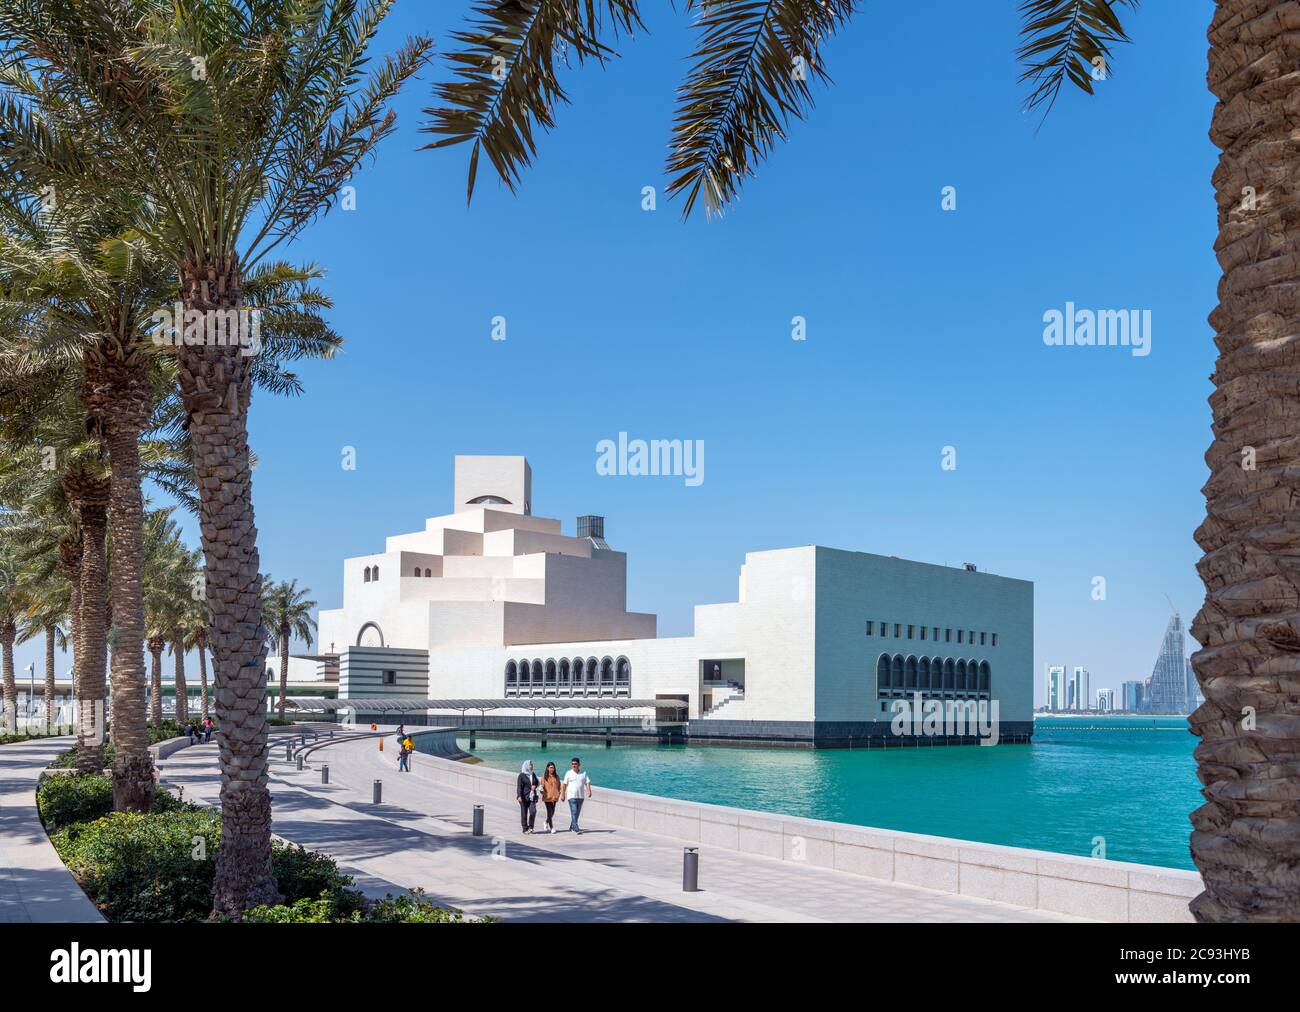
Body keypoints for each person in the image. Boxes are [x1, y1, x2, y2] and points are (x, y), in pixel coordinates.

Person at [561, 756, 592, 834]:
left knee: (577, 813)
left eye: (575, 764)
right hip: (571, 796)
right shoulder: (568, 773)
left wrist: (589, 791)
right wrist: (563, 795)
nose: (573, 765)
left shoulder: (583, 773)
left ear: (579, 764)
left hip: (580, 796)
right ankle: (576, 828)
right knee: (574, 812)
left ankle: (572, 826)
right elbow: (564, 784)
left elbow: (587, 782)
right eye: (572, 764)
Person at [516, 760, 539, 834]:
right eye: (530, 765)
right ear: (526, 766)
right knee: (524, 813)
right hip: (523, 797)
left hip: (532, 797)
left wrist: (535, 786)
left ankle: (531, 827)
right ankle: (525, 829)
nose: (532, 766)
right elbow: (519, 786)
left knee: (533, 811)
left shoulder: (533, 774)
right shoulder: (521, 775)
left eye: (532, 764)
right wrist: (519, 796)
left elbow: (537, 782)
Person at [539, 761, 562, 834]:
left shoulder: (556, 776)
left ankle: (546, 822)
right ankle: (552, 827)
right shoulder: (544, 777)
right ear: (547, 768)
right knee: (549, 812)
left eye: (553, 767)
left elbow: (559, 786)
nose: (552, 769)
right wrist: (543, 792)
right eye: (551, 767)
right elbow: (541, 786)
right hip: (547, 797)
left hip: (554, 797)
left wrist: (559, 794)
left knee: (552, 812)